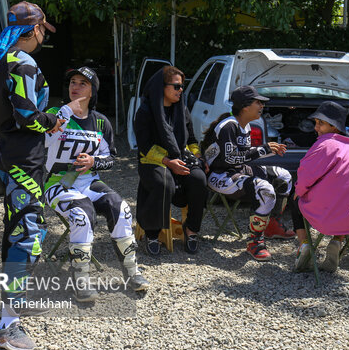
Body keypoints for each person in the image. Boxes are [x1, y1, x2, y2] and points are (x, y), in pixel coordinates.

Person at [0, 1, 61, 350]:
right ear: (32, 30)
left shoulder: (1, 60)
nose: (44, 36)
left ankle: (8, 308)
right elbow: (29, 116)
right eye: (44, 29)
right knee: (30, 232)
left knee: (15, 227)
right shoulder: (23, 62)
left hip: (6, 153)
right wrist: (51, 121)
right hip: (23, 159)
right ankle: (7, 325)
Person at [43, 67, 149, 302]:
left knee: (121, 208)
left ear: (93, 91)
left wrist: (93, 161)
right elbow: (43, 142)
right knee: (82, 213)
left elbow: (110, 159)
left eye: (82, 83)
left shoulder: (101, 122)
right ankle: (80, 278)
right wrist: (64, 113)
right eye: (72, 82)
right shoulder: (53, 113)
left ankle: (132, 272)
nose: (75, 87)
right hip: (57, 184)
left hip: (89, 182)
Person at [201, 85, 294, 261]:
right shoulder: (228, 126)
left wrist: (264, 150)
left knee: (284, 176)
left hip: (236, 170)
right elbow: (229, 159)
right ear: (245, 106)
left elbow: (241, 158)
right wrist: (263, 149)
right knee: (264, 189)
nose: (262, 106)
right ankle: (254, 242)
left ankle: (271, 225)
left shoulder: (247, 126)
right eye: (258, 102)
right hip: (219, 175)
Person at [290, 101, 349, 272]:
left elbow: (306, 174)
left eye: (321, 123)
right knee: (347, 196)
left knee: (294, 197)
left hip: (328, 214)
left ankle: (304, 244)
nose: (316, 128)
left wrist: (299, 190)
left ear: (335, 127)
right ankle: (337, 241)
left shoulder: (326, 144)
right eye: (316, 122)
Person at [134, 66, 208, 255]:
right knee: (163, 184)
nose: (180, 90)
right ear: (161, 87)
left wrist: (199, 158)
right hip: (152, 160)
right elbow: (144, 147)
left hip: (180, 157)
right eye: (176, 86)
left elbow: (191, 140)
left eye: (181, 86)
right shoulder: (145, 112)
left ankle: (191, 229)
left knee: (199, 179)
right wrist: (168, 162)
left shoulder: (181, 110)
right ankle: (152, 233)